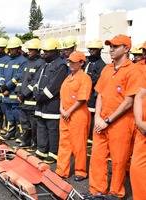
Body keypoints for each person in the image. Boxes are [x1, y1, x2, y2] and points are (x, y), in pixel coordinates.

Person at [89, 35, 141, 198]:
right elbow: (100, 95)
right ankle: (97, 190)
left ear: (126, 49)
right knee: (97, 157)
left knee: (119, 159)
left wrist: (108, 120)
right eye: (110, 46)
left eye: (115, 46)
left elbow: (129, 101)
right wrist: (98, 117)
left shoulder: (134, 71)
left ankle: (115, 192)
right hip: (102, 121)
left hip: (121, 123)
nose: (111, 49)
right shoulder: (107, 69)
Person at [55, 51, 92, 181]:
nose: (70, 64)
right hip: (65, 115)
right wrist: (61, 109)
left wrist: (69, 111)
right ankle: (61, 170)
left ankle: (80, 172)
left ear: (81, 63)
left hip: (78, 115)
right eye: (69, 61)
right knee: (64, 143)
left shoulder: (85, 78)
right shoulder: (67, 77)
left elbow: (82, 99)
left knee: (79, 144)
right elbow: (62, 96)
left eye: (74, 62)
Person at [33, 38, 69, 163]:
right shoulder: (45, 64)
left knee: (52, 129)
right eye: (44, 51)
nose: (45, 53)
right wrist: (35, 92)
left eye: (48, 51)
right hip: (41, 102)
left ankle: (53, 153)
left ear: (55, 51)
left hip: (51, 103)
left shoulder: (61, 65)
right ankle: (42, 150)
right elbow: (36, 80)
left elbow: (54, 86)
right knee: (41, 126)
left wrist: (41, 96)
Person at [15, 38, 45, 148]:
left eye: (31, 50)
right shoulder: (27, 63)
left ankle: (34, 142)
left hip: (31, 100)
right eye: (28, 50)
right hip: (22, 100)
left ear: (37, 50)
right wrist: (18, 92)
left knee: (34, 124)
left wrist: (24, 94)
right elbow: (22, 79)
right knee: (24, 122)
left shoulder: (41, 63)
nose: (29, 52)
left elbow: (35, 82)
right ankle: (26, 140)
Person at [0, 37, 27, 140]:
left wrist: (7, 86)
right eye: (9, 49)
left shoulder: (23, 61)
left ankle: (20, 134)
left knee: (17, 115)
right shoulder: (8, 61)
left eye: (13, 49)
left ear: (19, 48)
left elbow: (19, 76)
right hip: (5, 93)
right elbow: (2, 75)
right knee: (8, 114)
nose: (10, 51)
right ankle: (10, 132)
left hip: (14, 93)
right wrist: (1, 86)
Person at [130, 42, 146, 200]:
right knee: (137, 168)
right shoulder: (142, 71)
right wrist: (140, 122)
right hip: (143, 130)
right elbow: (140, 95)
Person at [85, 40, 106, 140]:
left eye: (94, 49)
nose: (91, 51)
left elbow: (95, 80)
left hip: (93, 96)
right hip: (84, 95)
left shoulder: (102, 65)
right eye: (90, 49)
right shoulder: (87, 62)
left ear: (99, 50)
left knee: (92, 116)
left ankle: (91, 138)